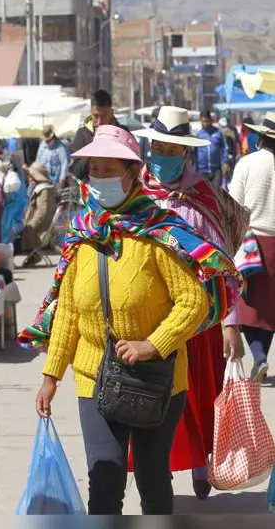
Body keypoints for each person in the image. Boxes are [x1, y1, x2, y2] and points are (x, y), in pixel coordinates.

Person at [22, 124, 241, 515]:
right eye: (96, 169)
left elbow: (191, 302)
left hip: (157, 378)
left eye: (112, 169)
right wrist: (51, 376)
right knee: (104, 484)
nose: (102, 177)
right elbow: (68, 311)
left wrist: (151, 345)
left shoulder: (160, 233)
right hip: (94, 378)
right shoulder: (83, 235)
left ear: (132, 174)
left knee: (153, 480)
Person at [134, 106, 250, 498]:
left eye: (172, 148)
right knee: (153, 398)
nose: (163, 155)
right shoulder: (136, 194)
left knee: (198, 396)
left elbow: (223, 264)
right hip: (148, 316)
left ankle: (201, 465)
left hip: (198, 318)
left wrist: (229, 322)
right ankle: (158, 471)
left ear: (185, 153)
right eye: (158, 147)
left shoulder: (204, 197)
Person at [231, 112, 275, 380]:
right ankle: (262, 358)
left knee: (246, 306)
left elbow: (234, 204)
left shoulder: (247, 163)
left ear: (260, 137)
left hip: (251, 241)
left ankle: (258, 356)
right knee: (270, 308)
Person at [70, 90, 120, 181]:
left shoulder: (122, 133)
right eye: (96, 116)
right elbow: (76, 173)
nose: (99, 121)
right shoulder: (82, 134)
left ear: (111, 112)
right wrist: (93, 148)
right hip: (90, 190)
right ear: (91, 113)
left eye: (104, 116)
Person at [20, 161, 58, 267]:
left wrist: (32, 224)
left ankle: (33, 255)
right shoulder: (44, 187)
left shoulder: (44, 189)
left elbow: (42, 211)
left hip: (41, 226)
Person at [195, 110, 229, 190]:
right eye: (203, 121)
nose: (205, 123)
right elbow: (195, 153)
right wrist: (195, 169)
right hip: (202, 171)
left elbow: (224, 148)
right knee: (204, 195)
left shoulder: (218, 132)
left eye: (206, 121)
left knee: (216, 193)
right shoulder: (199, 134)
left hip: (216, 170)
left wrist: (225, 162)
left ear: (210, 120)